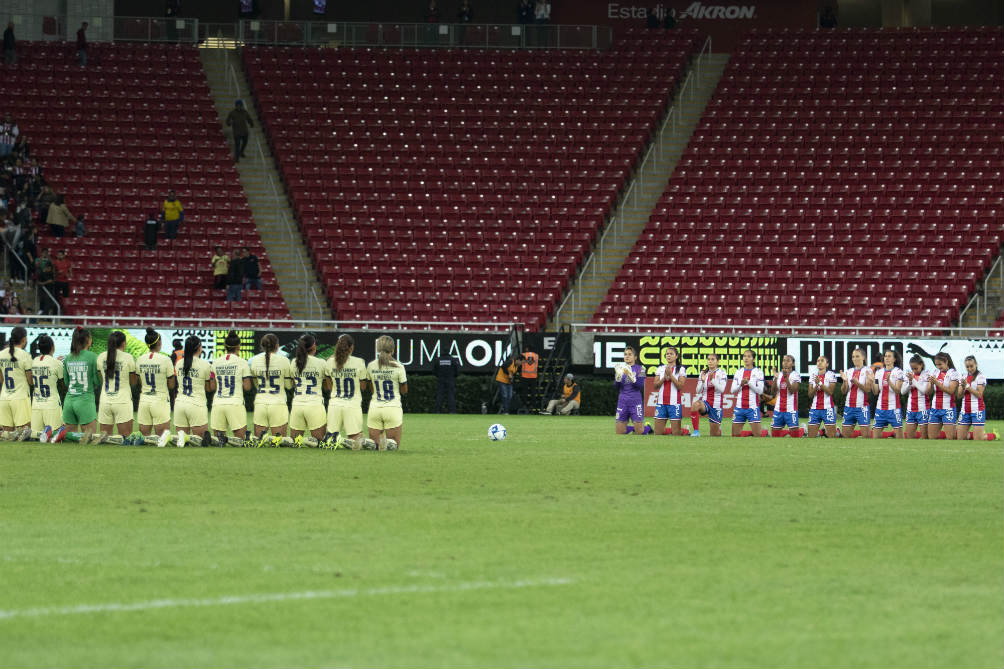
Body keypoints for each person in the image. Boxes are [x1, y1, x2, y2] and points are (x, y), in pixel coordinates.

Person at [324, 333, 373, 450]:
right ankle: (342, 440)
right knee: (356, 440)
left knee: (330, 439)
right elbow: (363, 387)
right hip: (352, 404)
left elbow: (329, 387)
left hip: (335, 404)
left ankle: (337, 439)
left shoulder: (329, 362)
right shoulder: (359, 362)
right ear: (351, 347)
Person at [171, 335, 216, 447]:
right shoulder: (205, 364)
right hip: (196, 405)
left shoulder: (179, 363)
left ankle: (171, 437)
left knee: (183, 443)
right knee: (200, 442)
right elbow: (209, 388)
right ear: (199, 347)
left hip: (180, 404)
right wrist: (213, 377)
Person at [210, 330, 252, 445]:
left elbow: (212, 386)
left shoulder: (215, 362)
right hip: (235, 403)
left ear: (225, 346)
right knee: (241, 442)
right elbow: (247, 387)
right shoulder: (243, 362)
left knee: (218, 442)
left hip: (218, 403)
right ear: (238, 346)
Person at [249, 333, 292, 444]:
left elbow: (256, 384)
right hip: (278, 403)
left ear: (262, 345)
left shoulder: (254, 361)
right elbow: (288, 386)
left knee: (259, 443)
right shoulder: (284, 361)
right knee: (279, 444)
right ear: (277, 346)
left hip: (260, 404)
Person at [96, 331, 139, 439]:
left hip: (105, 400)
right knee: (126, 439)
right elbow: (133, 382)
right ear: (123, 343)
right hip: (122, 401)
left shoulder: (100, 357)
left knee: (105, 440)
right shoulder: (128, 357)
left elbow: (101, 378)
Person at [367, 335, 407, 450]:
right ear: (393, 350)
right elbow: (404, 391)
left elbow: (372, 388)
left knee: (375, 447)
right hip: (392, 408)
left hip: (375, 408)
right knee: (393, 447)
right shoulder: (399, 367)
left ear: (378, 349)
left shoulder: (371, 366)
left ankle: (365, 442)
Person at [289, 334, 331, 445]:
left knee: (295, 443)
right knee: (321, 443)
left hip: (297, 405)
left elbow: (293, 383)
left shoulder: (294, 362)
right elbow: (327, 387)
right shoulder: (321, 363)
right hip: (314, 405)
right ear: (314, 346)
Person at [136, 328, 176, 439]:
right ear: (159, 342)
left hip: (144, 400)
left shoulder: (140, 359)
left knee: (144, 439)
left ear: (147, 344)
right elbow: (171, 385)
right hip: (160, 400)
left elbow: (140, 381)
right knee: (162, 439)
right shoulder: (166, 359)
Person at [62, 327, 101, 441]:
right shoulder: (93, 356)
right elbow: (96, 381)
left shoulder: (68, 358)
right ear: (88, 340)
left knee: (71, 440)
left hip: (69, 402)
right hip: (85, 401)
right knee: (90, 439)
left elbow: (66, 382)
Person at [0, 325, 33, 439]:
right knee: (24, 434)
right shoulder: (25, 355)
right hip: (20, 398)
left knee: (7, 436)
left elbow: (1, 379)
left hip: (4, 398)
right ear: (24, 339)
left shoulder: (1, 354)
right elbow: (30, 381)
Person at [31, 334, 65, 440]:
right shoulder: (57, 363)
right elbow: (62, 383)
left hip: (36, 404)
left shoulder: (34, 361)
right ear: (53, 347)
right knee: (56, 436)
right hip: (51, 404)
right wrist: (60, 362)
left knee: (36, 436)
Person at [689, 353, 727, 437]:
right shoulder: (703, 373)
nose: (710, 361)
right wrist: (702, 381)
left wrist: (712, 380)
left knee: (714, 435)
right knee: (695, 404)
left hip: (716, 405)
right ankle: (696, 431)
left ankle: (718, 429)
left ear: (718, 362)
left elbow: (722, 389)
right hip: (705, 403)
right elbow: (698, 391)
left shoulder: (722, 373)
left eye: (713, 359)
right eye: (708, 359)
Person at [730, 349, 765, 437]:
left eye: (749, 356)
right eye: (745, 356)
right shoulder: (738, 372)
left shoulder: (758, 372)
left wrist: (749, 383)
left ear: (753, 359)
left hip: (752, 407)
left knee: (758, 435)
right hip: (739, 407)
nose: (746, 358)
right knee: (735, 435)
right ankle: (753, 433)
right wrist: (740, 384)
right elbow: (732, 390)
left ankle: (764, 432)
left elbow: (760, 391)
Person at [614, 346, 648, 435]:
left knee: (639, 432)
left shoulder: (642, 369)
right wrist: (617, 378)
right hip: (623, 401)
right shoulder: (620, 369)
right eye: (625, 354)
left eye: (630, 354)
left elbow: (640, 386)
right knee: (619, 432)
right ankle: (633, 428)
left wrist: (631, 377)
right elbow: (616, 387)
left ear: (635, 357)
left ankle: (648, 428)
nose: (627, 356)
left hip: (635, 402)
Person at [871, 349, 905, 439]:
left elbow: (898, 391)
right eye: (885, 356)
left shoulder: (898, 372)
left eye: (889, 356)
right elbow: (875, 392)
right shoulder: (878, 372)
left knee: (900, 439)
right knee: (876, 438)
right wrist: (872, 381)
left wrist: (889, 381)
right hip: (880, 409)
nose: (887, 358)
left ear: (894, 359)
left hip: (894, 409)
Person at [840, 348, 873, 438]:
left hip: (862, 407)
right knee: (845, 437)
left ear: (863, 357)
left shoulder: (868, 371)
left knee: (866, 436)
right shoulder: (849, 371)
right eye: (853, 356)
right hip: (849, 407)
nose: (855, 358)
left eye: (857, 356)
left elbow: (868, 389)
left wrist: (857, 382)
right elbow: (843, 391)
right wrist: (844, 381)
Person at [654, 346, 686, 436]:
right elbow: (655, 386)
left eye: (671, 354)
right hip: (661, 403)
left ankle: (685, 431)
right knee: (658, 433)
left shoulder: (681, 369)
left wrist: (671, 375)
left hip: (674, 403)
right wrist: (664, 378)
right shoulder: (660, 368)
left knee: (676, 434)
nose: (668, 356)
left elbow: (680, 386)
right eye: (667, 354)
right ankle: (675, 430)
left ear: (676, 356)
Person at [926, 352, 959, 440]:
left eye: (940, 364)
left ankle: (967, 434)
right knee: (932, 437)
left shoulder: (953, 373)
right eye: (936, 365)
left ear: (946, 362)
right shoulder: (935, 372)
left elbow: (951, 391)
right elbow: (929, 392)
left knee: (951, 437)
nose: (938, 367)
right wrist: (931, 384)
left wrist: (936, 383)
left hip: (948, 408)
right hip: (935, 408)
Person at [806, 355, 838, 438]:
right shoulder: (813, 375)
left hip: (827, 408)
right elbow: (810, 394)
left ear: (827, 364)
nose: (819, 362)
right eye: (818, 360)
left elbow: (830, 392)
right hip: (814, 409)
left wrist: (820, 383)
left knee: (832, 436)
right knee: (811, 436)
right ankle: (822, 432)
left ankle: (836, 430)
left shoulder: (831, 375)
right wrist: (816, 386)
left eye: (822, 361)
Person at [956, 355, 986, 442]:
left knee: (978, 439)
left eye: (971, 366)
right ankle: (976, 433)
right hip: (965, 410)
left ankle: (993, 435)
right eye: (967, 367)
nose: (969, 368)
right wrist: (961, 386)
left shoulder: (981, 377)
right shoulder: (963, 376)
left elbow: (979, 395)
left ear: (976, 364)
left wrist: (967, 386)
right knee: (960, 438)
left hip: (977, 410)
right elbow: (959, 396)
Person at [770, 355, 801, 437]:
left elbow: (791, 391)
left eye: (788, 360)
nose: (785, 362)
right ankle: (788, 432)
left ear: (793, 364)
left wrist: (786, 378)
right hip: (778, 409)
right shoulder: (778, 375)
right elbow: (772, 393)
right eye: (784, 360)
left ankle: (802, 430)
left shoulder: (795, 375)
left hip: (791, 409)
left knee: (795, 436)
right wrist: (775, 378)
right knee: (775, 435)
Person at [901, 355, 930, 440]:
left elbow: (924, 390)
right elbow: (902, 391)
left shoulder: (926, 374)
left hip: (923, 409)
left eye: (916, 368)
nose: (914, 370)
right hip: (911, 409)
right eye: (912, 368)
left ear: (921, 365)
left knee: (924, 437)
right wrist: (909, 382)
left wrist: (913, 380)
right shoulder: (909, 375)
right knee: (909, 437)